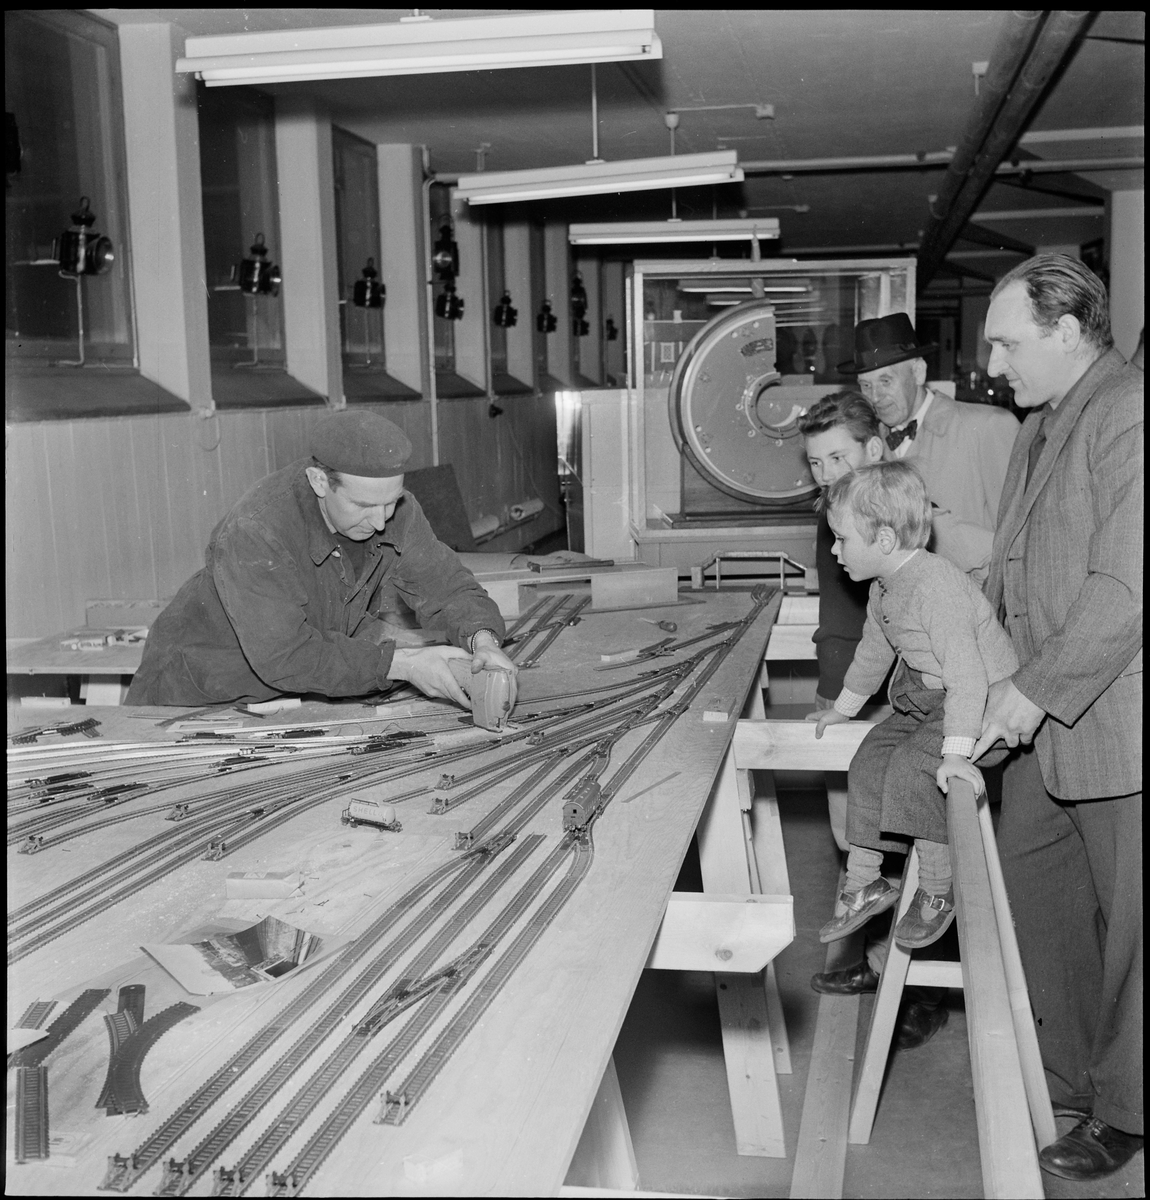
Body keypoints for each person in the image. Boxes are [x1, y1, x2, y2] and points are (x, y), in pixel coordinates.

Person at [973, 254, 1143, 1181]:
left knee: (1133, 936)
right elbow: (1015, 570)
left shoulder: (1129, 410)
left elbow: (1127, 586)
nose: (993, 362)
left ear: (1069, 331)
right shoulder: (1042, 422)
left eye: (1007, 343)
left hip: (1115, 716)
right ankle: (1067, 1077)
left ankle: (1126, 1110)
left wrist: (1033, 691)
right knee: (1042, 901)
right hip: (1044, 718)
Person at [127, 410, 515, 709]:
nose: (381, 521)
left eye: (390, 502)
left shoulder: (393, 510)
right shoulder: (257, 530)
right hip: (198, 698)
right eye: (364, 505)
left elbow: (445, 585)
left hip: (287, 696)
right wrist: (404, 664)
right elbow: (287, 656)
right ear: (319, 481)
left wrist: (482, 639)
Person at [809, 462, 1016, 950]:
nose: (834, 551)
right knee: (868, 760)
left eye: (841, 539)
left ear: (883, 540)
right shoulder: (884, 587)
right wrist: (845, 708)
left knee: (911, 767)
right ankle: (865, 881)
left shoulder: (935, 585)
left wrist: (955, 754)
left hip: (981, 705)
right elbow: (873, 653)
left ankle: (938, 888)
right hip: (930, 698)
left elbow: (968, 676)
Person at [840, 313, 1020, 582]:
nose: (875, 397)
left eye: (886, 381)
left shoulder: (988, 426)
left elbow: (1019, 545)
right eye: (866, 385)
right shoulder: (869, 445)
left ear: (918, 372)